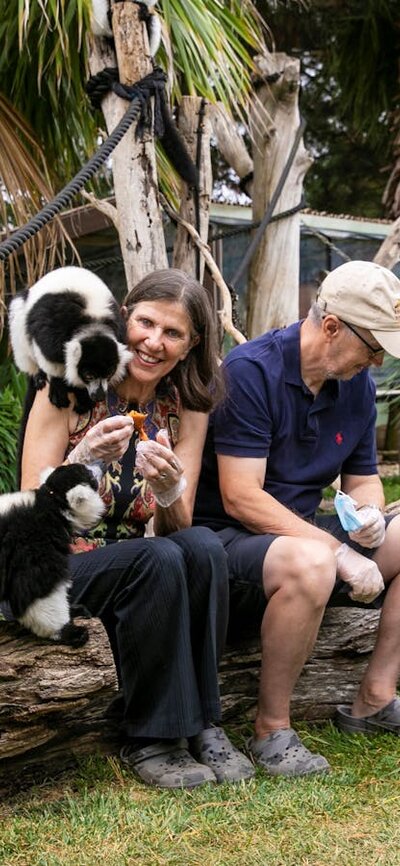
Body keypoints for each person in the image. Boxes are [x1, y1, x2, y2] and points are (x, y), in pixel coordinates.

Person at [19, 267, 255, 788]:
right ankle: (152, 737)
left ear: (192, 345)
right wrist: (80, 458)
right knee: (155, 558)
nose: (154, 342)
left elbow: (179, 525)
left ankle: (205, 725)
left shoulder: (185, 405)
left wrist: (170, 489)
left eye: (173, 333)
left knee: (201, 546)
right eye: (146, 323)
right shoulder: (68, 382)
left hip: (132, 563)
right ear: (124, 318)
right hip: (50, 564)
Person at [194, 259, 400, 777]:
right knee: (313, 561)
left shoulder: (353, 384)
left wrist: (371, 514)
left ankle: (374, 698)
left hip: (299, 534)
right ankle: (272, 729)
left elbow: (363, 479)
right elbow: (242, 497)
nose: (376, 362)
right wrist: (339, 553)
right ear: (331, 327)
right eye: (373, 347)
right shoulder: (249, 372)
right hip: (227, 539)